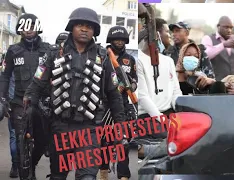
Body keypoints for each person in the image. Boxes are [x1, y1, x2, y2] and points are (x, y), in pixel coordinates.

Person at [24, 7, 126, 180]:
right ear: (72, 27)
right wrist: (28, 108)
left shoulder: (103, 57)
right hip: (59, 127)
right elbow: (37, 83)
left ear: (95, 30)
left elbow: (114, 94)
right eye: (80, 25)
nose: (85, 29)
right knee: (58, 175)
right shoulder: (54, 53)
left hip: (90, 129)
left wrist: (120, 124)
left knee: (87, 176)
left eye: (89, 26)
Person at [0, 13, 51, 180]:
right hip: (19, 103)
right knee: (21, 142)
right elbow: (5, 76)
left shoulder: (47, 50)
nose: (28, 30)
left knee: (43, 141)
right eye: (25, 27)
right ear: (20, 30)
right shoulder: (13, 51)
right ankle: (25, 173)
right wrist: (3, 99)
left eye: (31, 26)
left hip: (42, 102)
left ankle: (33, 165)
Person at [99, 25, 137, 180]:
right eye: (116, 39)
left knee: (123, 142)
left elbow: (134, 81)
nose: (119, 42)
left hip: (123, 104)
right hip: (105, 104)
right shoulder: (102, 56)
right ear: (110, 40)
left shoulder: (130, 59)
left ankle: (123, 175)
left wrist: (127, 87)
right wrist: (112, 88)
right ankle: (103, 173)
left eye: (122, 39)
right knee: (104, 142)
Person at [201, 16, 234, 81]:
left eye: (231, 27)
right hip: (216, 83)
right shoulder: (208, 38)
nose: (229, 30)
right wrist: (223, 45)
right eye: (226, 27)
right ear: (218, 26)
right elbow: (206, 55)